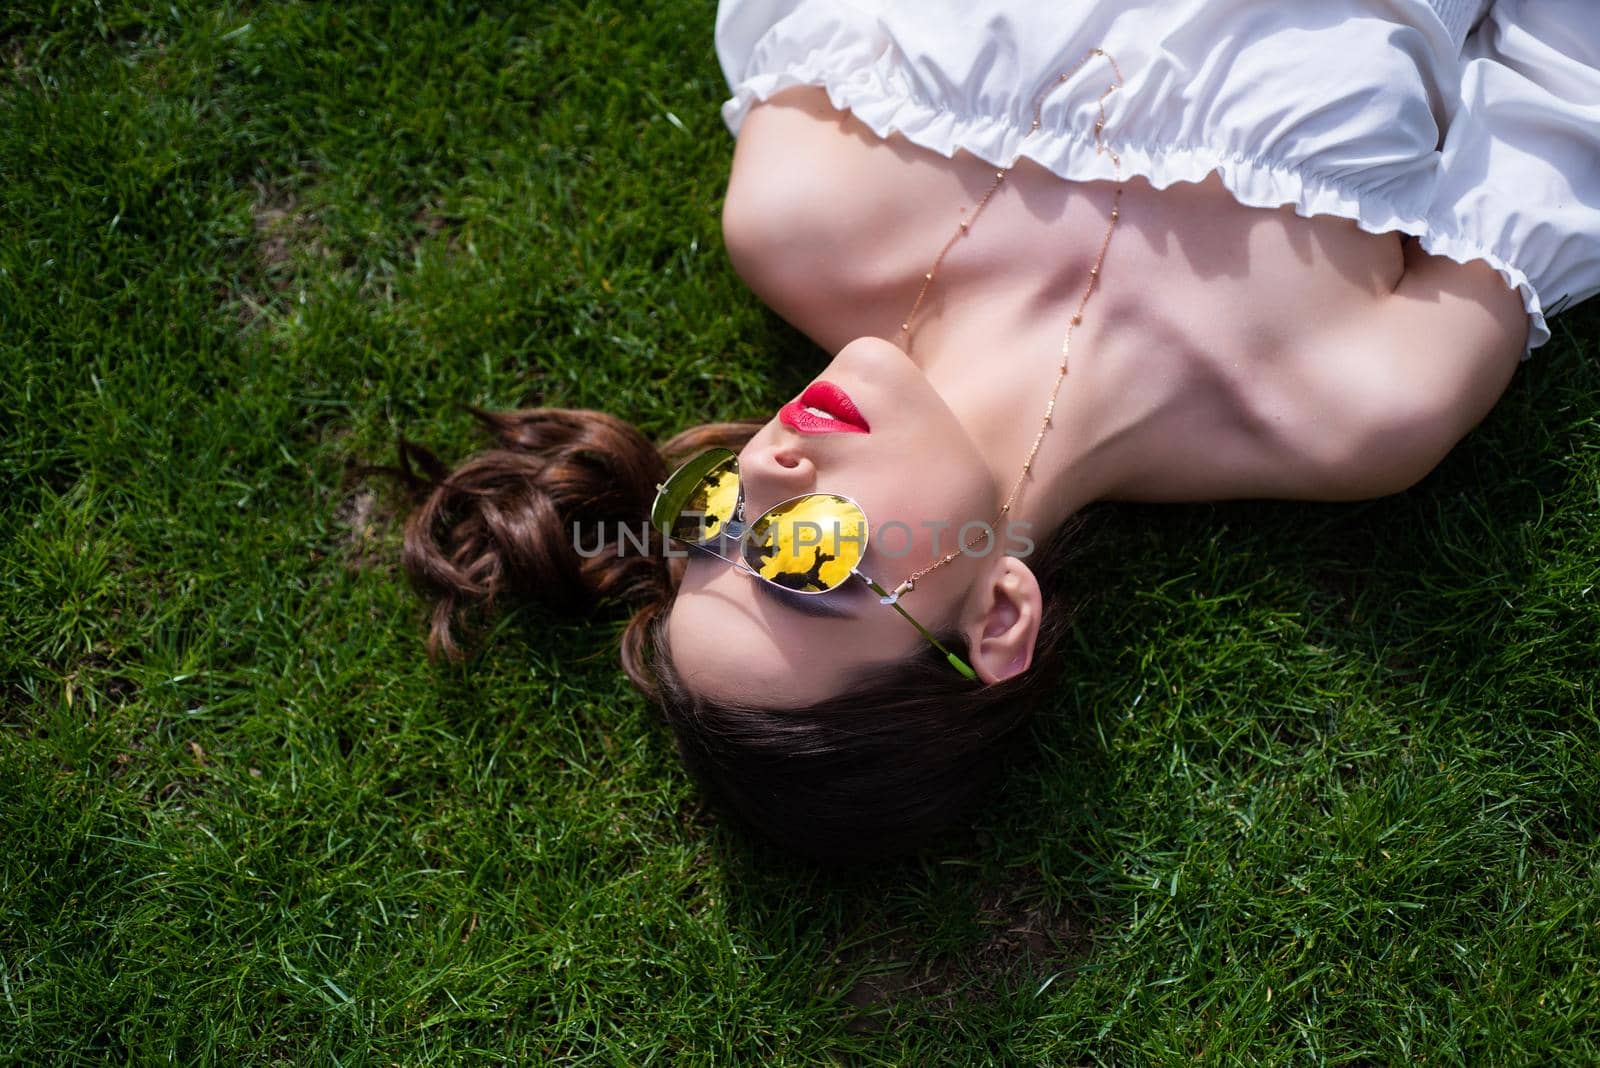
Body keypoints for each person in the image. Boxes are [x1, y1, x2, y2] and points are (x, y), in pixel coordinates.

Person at [380, 0, 1600, 863]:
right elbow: (1564, 70)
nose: (761, 466)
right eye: (804, 558)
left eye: (708, 525)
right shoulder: (1354, 407)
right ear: (997, 615)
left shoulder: (799, 210)